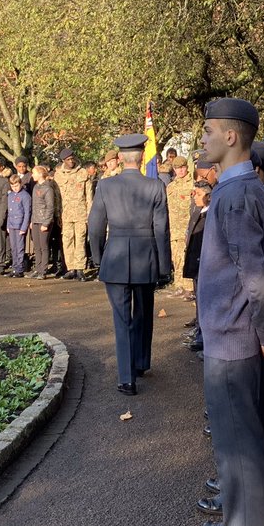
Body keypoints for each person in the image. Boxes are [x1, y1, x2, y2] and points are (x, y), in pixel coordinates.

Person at [193, 98, 264, 526]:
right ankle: (239, 524)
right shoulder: (247, 189)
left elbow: (256, 275)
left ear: (232, 137)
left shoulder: (234, 195)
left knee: (237, 441)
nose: (202, 138)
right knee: (237, 436)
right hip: (235, 330)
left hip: (233, 334)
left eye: (209, 131)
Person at [87, 134, 173, 395]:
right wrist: (164, 265)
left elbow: (95, 226)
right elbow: (161, 230)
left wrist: (98, 256)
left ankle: (126, 378)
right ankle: (140, 362)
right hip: (145, 255)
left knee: (121, 318)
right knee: (144, 313)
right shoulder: (155, 185)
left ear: (121, 158)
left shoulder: (105, 186)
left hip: (115, 256)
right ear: (141, 157)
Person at [56, 149, 94, 281]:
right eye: (68, 160)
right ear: (63, 161)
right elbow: (56, 198)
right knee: (67, 241)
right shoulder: (58, 175)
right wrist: (57, 215)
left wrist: (89, 214)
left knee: (80, 240)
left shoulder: (83, 173)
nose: (71, 161)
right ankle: (71, 267)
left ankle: (80, 268)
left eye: (72, 158)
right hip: (65, 214)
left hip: (81, 213)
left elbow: (89, 196)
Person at [166, 156, 195, 294]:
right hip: (174, 229)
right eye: (177, 168)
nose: (180, 171)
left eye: (182, 167)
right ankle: (179, 285)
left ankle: (189, 287)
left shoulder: (192, 185)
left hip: (187, 228)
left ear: (186, 167)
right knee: (176, 257)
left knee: (187, 257)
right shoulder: (170, 187)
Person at [29, 166, 57, 279]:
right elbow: (34, 206)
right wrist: (32, 221)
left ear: (40, 174)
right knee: (36, 246)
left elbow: (50, 207)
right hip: (35, 220)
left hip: (44, 221)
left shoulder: (48, 189)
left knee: (44, 246)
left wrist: (46, 223)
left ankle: (43, 270)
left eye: (34, 173)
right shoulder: (36, 187)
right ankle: (37, 268)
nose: (32, 175)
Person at [5, 172, 32, 277]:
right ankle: (15, 267)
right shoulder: (10, 195)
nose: (15, 188)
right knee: (13, 248)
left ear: (20, 184)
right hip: (11, 225)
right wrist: (8, 225)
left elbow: (27, 213)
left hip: (20, 225)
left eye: (16, 185)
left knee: (20, 248)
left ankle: (20, 269)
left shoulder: (25, 196)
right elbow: (9, 212)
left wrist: (24, 227)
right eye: (12, 186)